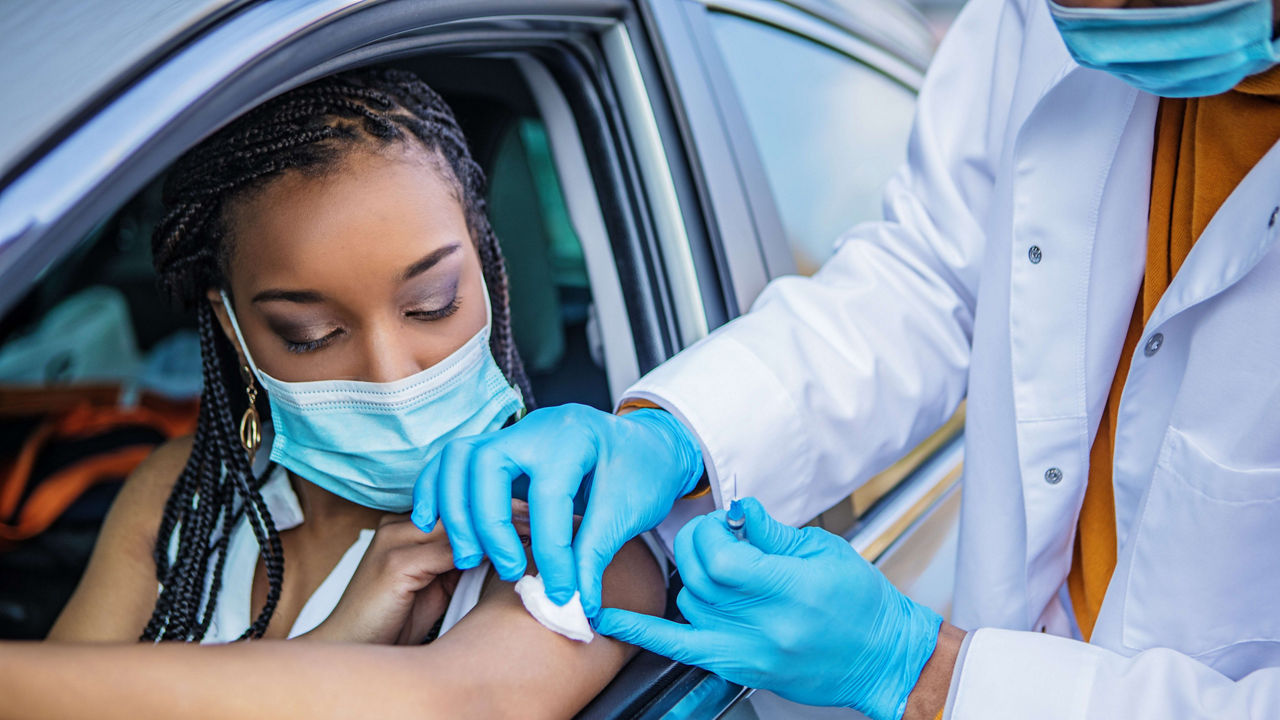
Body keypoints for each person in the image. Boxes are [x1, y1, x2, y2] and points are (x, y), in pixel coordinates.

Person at [412, 0, 1280, 717]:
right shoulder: (1033, 26)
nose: (1088, 9)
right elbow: (932, 276)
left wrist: (927, 671)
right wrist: (672, 435)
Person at [1, 68, 663, 719]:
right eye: (311, 334)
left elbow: (452, 703)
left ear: (487, 268)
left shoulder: (581, 537)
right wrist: (337, 639)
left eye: (432, 303)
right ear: (233, 328)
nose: (391, 376)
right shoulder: (181, 499)